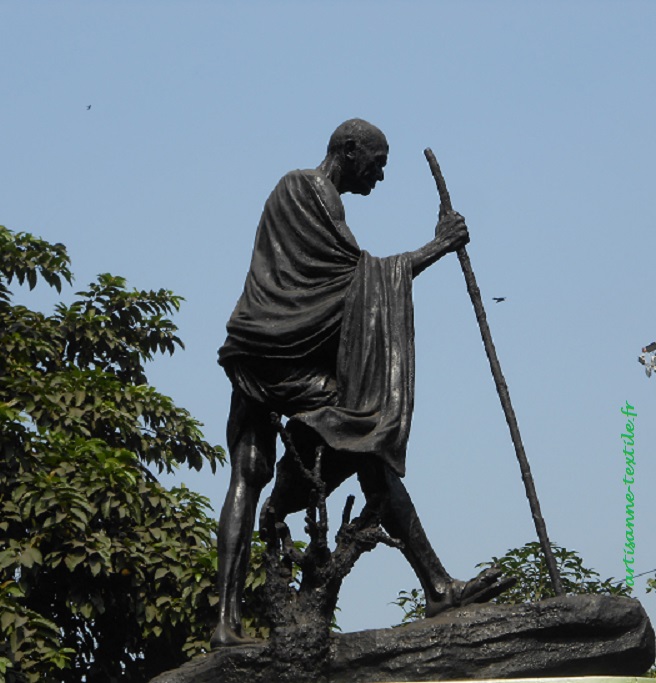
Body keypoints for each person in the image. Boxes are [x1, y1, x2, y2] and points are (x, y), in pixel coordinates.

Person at [211, 119, 510, 647]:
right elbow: (354, 281)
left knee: (247, 472)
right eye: (378, 162)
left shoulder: (303, 192)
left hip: (258, 347)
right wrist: (437, 247)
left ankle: (226, 624)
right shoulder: (308, 190)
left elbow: (328, 287)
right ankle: (436, 583)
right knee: (364, 431)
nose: (380, 175)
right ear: (349, 151)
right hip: (280, 360)